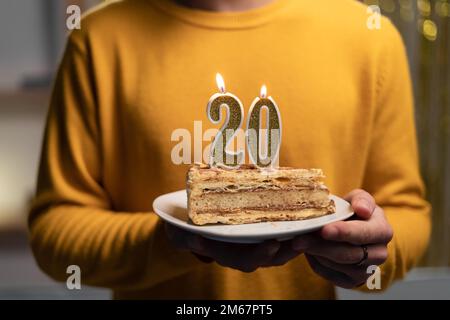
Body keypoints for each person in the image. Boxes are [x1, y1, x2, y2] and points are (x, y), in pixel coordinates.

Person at [29, 0, 431, 299]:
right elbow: (54, 232)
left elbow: (407, 215)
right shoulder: (98, 38)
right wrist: (171, 240)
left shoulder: (368, 35)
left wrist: (361, 251)